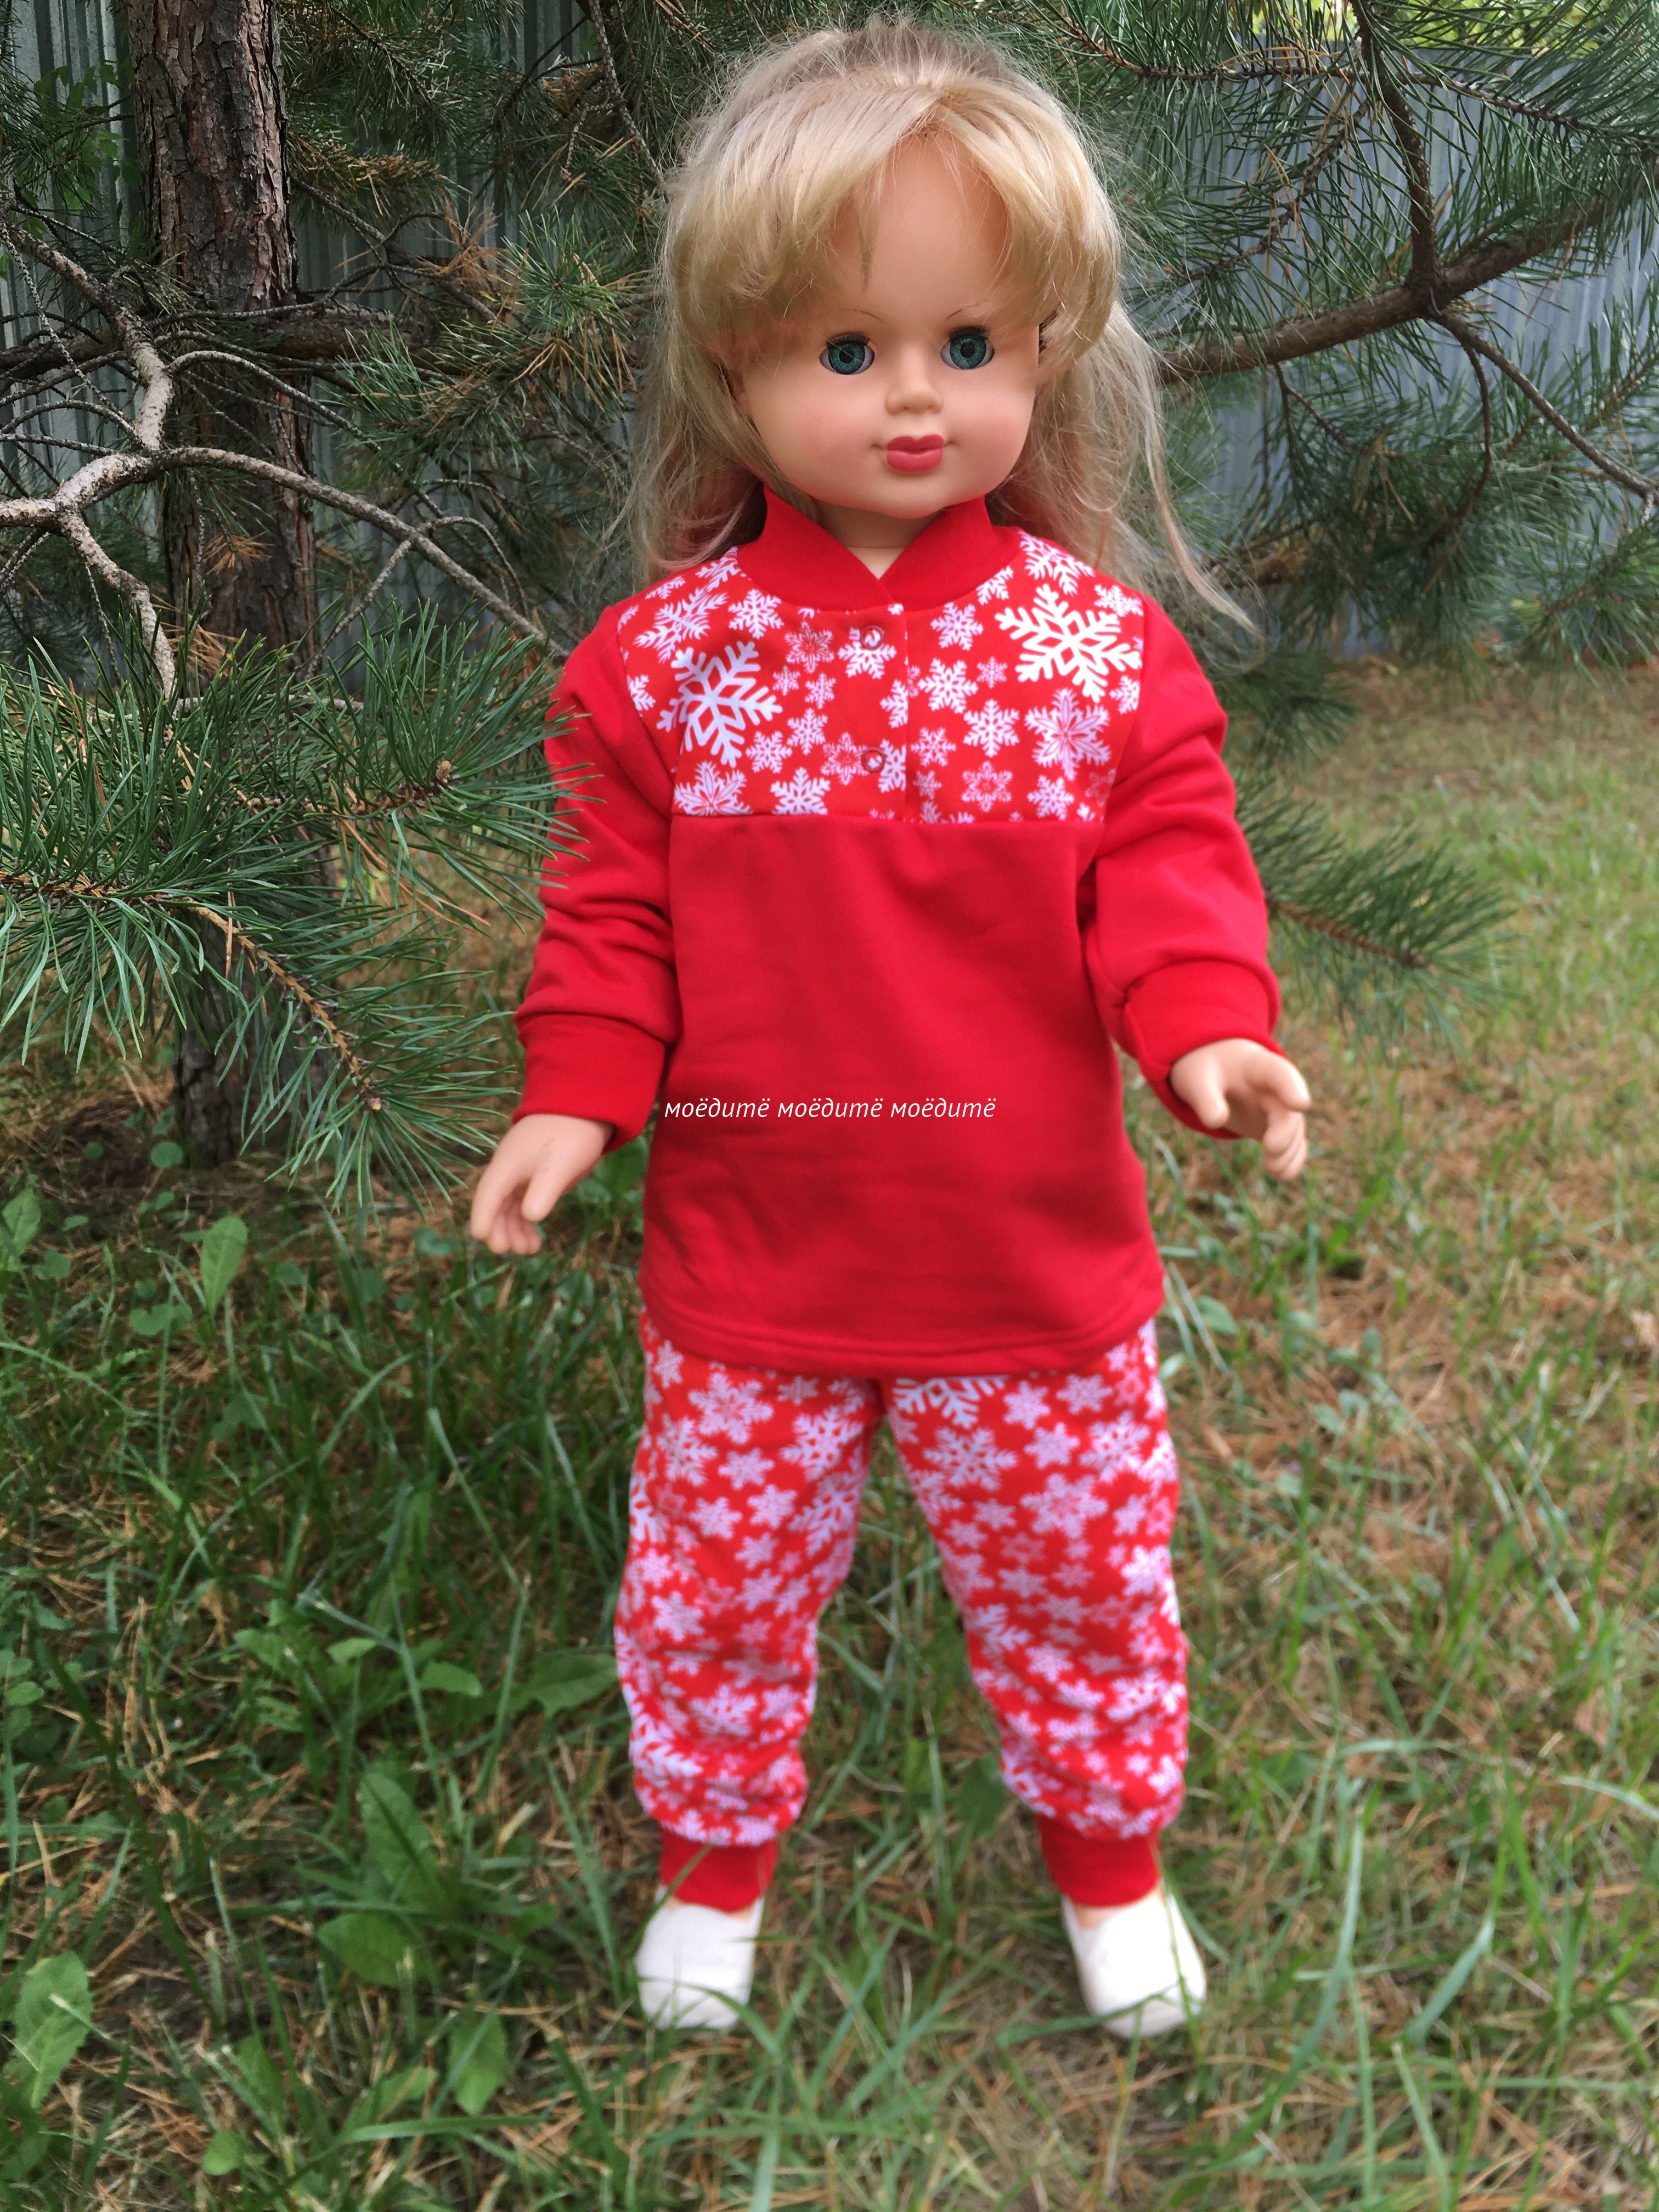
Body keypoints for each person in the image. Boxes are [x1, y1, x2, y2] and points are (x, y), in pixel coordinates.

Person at [470, 16, 1310, 2038]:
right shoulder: (664, 670)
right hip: (757, 1267)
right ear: (735, 360)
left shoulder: (1095, 658)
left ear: (1045, 352)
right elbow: (612, 915)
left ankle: (1110, 1861)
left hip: (1031, 1268)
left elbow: (1172, 868)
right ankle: (714, 1865)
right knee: (718, 1586)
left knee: (1080, 1579)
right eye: (848, 348)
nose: (916, 393)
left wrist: (1204, 1026)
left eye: (970, 342)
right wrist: (577, 1093)